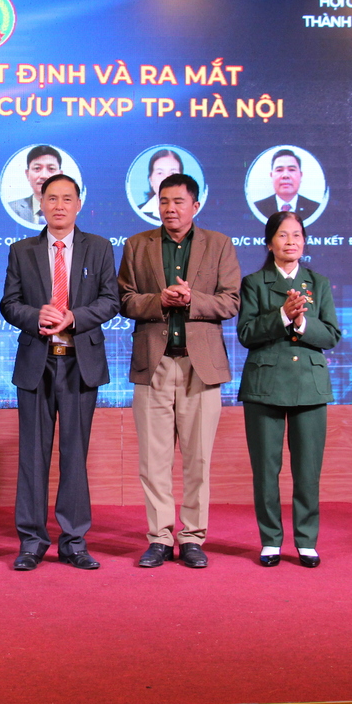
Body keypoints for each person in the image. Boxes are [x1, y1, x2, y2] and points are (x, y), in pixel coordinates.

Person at [118, 173, 240, 569]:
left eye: (178, 202)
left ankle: (192, 537)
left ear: (195, 206)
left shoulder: (219, 244)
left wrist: (191, 300)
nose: (170, 209)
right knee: (152, 461)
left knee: (197, 459)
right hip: (153, 363)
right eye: (164, 201)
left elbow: (231, 301)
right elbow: (125, 300)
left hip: (199, 366)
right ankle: (159, 537)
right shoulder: (137, 244)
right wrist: (159, 300)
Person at [0, 174, 119, 571]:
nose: (59, 206)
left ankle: (74, 541)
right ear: (41, 203)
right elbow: (9, 304)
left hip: (80, 362)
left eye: (67, 199)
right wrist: (36, 316)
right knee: (32, 457)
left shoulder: (99, 248)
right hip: (37, 362)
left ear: (78, 204)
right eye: (52, 198)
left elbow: (111, 300)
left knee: (74, 454)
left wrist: (74, 317)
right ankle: (31, 541)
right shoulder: (22, 250)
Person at [237, 211, 341, 568]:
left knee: (308, 469)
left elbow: (331, 335)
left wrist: (301, 322)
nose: (291, 241)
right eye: (283, 235)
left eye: (297, 235)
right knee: (266, 468)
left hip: (310, 385)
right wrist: (282, 315)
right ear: (270, 243)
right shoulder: (254, 283)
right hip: (264, 385)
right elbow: (246, 333)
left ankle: (306, 541)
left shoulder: (318, 283)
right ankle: (270, 540)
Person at [253, 148, 320, 220]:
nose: (285, 175)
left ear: (300, 175)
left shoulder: (315, 208)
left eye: (291, 170)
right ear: (271, 175)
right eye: (279, 170)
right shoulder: (258, 208)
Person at [8, 145, 62, 226]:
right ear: (27, 174)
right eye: (37, 168)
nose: (44, 175)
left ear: (60, 175)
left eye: (51, 169)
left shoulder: (73, 210)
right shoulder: (12, 209)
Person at [137, 148, 183, 220]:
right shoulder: (137, 213)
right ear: (151, 180)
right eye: (160, 173)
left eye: (173, 173)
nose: (166, 179)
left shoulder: (193, 211)